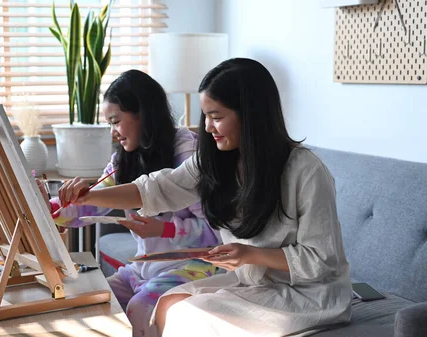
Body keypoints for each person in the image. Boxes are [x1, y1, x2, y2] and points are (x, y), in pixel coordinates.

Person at [58, 59, 352, 336]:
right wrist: (88, 196)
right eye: (206, 117)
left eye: (217, 117)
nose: (208, 128)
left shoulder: (306, 171)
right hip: (252, 280)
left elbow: (322, 260)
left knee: (185, 314)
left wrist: (249, 254)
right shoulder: (217, 161)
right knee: (167, 302)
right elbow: (155, 188)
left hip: (309, 293)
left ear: (250, 116)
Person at [38, 69, 221, 337]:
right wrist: (49, 207)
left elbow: (215, 233)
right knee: (95, 301)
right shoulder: (122, 160)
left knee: (139, 307)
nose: (113, 132)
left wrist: (164, 230)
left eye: (116, 121)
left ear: (143, 114)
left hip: (195, 267)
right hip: (144, 267)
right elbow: (89, 206)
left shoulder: (186, 153)